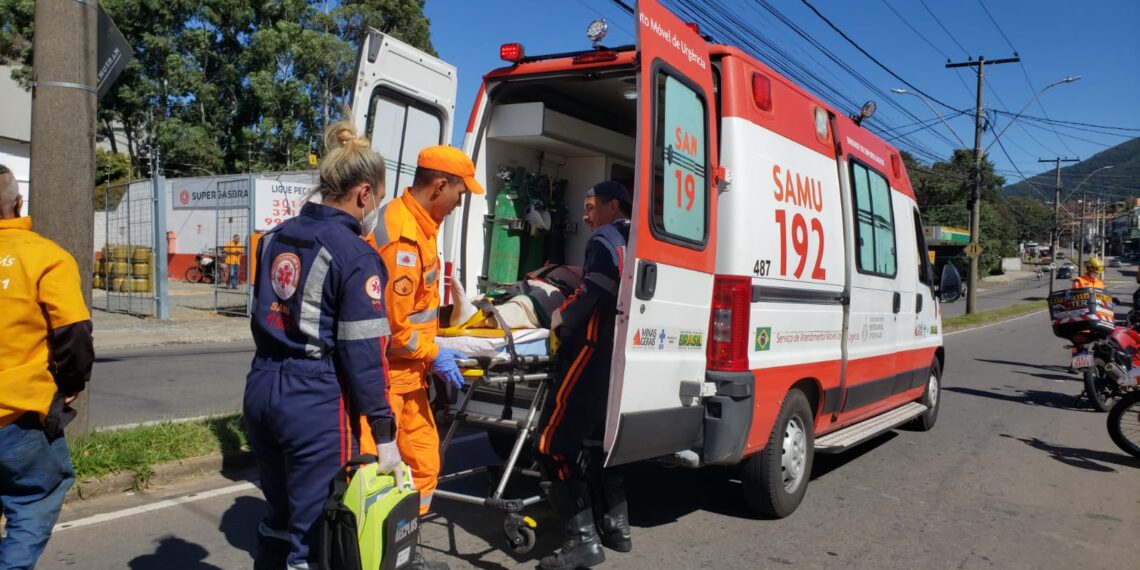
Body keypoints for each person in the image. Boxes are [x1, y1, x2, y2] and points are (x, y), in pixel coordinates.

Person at [243, 120, 425, 569]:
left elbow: (260, 313)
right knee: (315, 538)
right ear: (364, 194)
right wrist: (384, 433)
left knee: (278, 520)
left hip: (261, 387)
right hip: (314, 400)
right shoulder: (355, 254)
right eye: (379, 198)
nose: (377, 208)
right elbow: (365, 354)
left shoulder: (274, 237)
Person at [360, 146, 483, 518]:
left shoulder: (421, 226)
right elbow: (393, 328)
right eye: (460, 193)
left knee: (425, 463)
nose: (460, 203)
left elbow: (416, 310)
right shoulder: (404, 238)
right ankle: (364, 540)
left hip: (409, 377)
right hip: (386, 380)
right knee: (371, 470)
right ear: (440, 186)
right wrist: (434, 352)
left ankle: (404, 535)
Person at [535, 180, 633, 570]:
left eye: (591, 207)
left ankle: (582, 541)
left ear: (613, 206)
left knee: (552, 443)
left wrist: (560, 320)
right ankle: (616, 527)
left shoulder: (604, 240)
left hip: (590, 352)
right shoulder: (638, 239)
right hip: (619, 356)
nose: (586, 216)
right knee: (600, 441)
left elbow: (592, 294)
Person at [0, 163, 95, 568]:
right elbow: (74, 332)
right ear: (19, 204)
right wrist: (71, 383)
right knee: (33, 500)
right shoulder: (45, 257)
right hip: (15, 414)